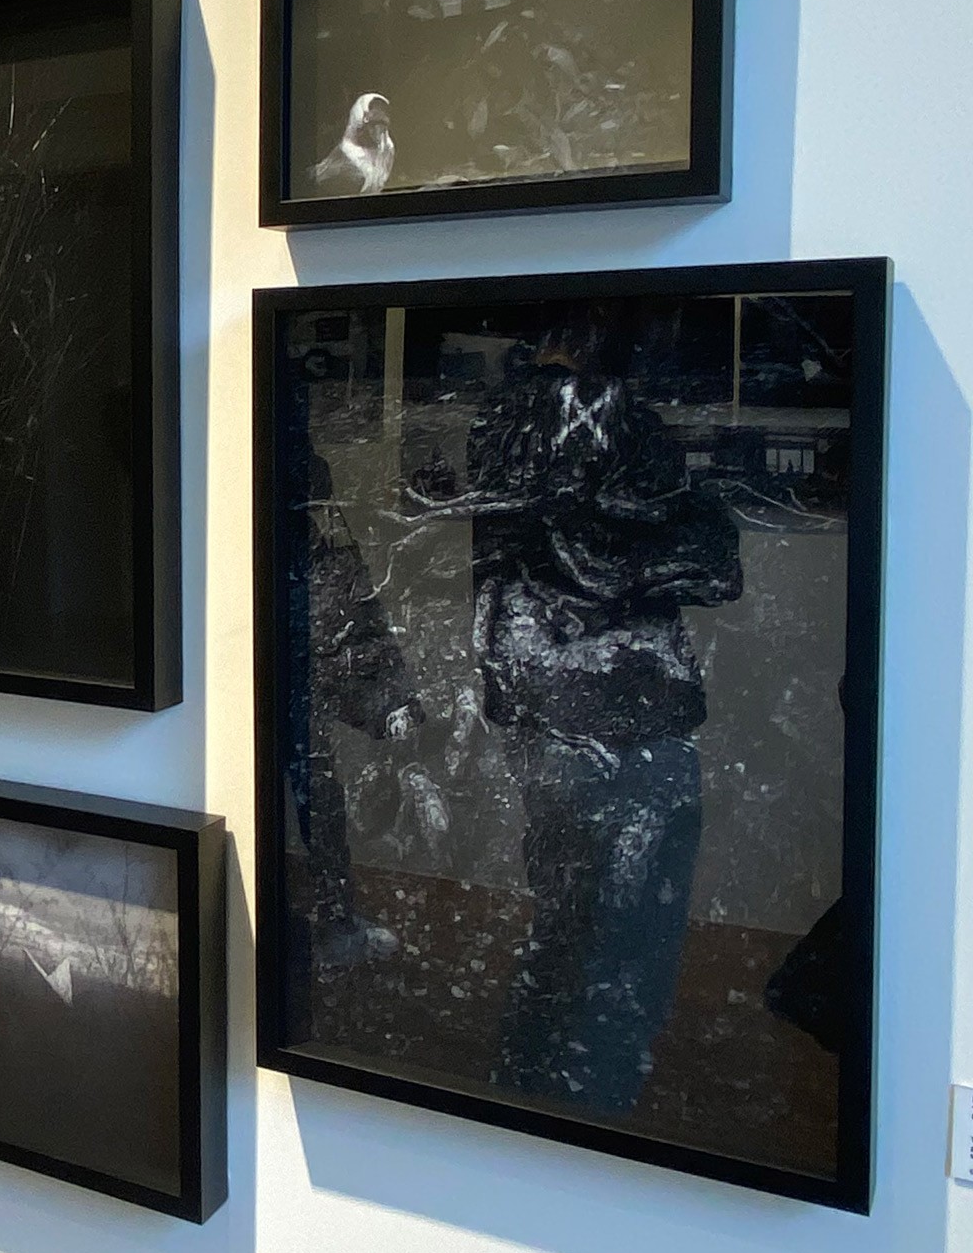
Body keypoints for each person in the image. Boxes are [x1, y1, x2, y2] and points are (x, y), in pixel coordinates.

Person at [423, 316, 742, 1114]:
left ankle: (541, 1097)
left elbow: (693, 557)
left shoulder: (509, 425)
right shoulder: (605, 421)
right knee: (617, 938)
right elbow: (700, 557)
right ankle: (581, 1110)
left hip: (564, 708)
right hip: (602, 711)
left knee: (579, 923)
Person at [284, 440, 424, 991]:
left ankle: (334, 921)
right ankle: (323, 924)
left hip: (304, 707)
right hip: (267, 704)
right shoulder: (308, 562)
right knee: (310, 808)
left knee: (321, 809)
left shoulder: (331, 558)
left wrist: (394, 704)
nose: (322, 517)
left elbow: (363, 633)